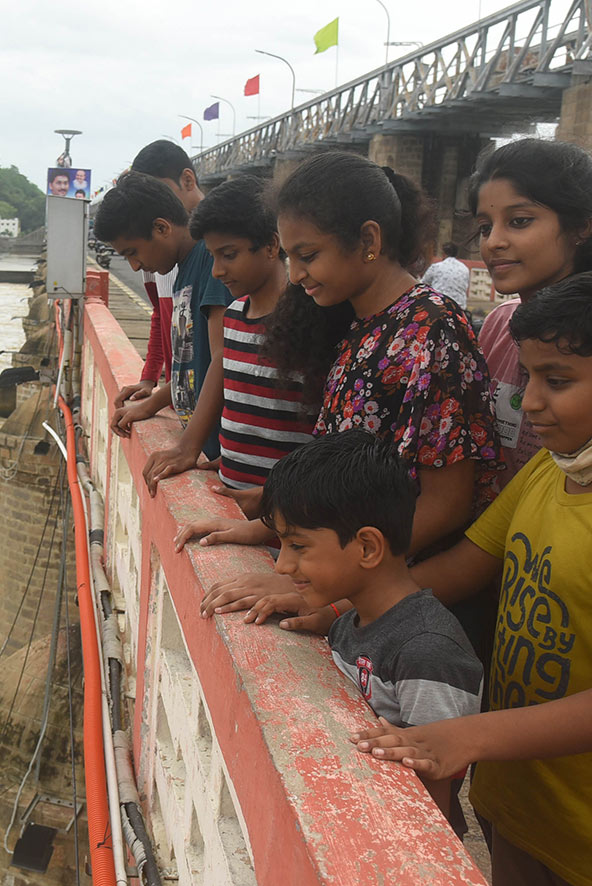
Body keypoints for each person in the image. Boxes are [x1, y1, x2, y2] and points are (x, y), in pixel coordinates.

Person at [352, 279, 592, 886]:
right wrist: (334, 596)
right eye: (530, 378)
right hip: (515, 801)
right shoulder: (547, 470)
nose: (530, 402)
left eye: (558, 382)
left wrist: (470, 735)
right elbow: (467, 561)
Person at [189, 152, 498, 626]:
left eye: (308, 256)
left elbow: (447, 501)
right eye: (290, 257)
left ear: (369, 240)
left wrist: (325, 584)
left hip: (394, 604)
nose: (294, 275)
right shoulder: (359, 324)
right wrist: (269, 530)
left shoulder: (433, 333)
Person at [261, 430, 483, 825]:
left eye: (298, 546)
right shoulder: (350, 620)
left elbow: (432, 794)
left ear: (367, 547)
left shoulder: (428, 652)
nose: (281, 566)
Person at [171, 175, 312, 496]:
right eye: (213, 256)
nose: (217, 270)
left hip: (286, 517)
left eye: (229, 255)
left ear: (271, 245)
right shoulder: (234, 316)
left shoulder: (308, 320)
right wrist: (194, 448)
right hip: (232, 504)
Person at [105, 141, 233, 492]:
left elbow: (223, 357)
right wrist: (155, 401)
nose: (133, 266)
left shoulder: (212, 260)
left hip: (226, 454)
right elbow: (190, 360)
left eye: (132, 252)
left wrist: (187, 446)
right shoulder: (179, 265)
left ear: (161, 227)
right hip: (209, 446)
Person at [468, 138, 592, 488]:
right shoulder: (498, 325)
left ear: (581, 226)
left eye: (519, 221)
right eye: (484, 227)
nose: (493, 242)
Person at [421, 242, 471, 308]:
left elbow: (423, 284)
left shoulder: (436, 267)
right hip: (460, 308)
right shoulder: (465, 268)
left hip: (439, 306)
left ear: (444, 254)